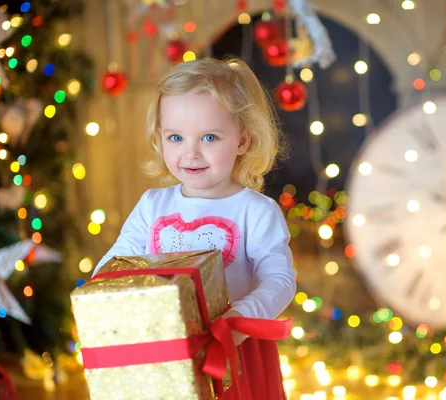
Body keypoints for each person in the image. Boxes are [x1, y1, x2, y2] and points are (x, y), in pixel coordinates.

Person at [92, 58, 296, 400]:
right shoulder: (152, 205)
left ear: (242, 140)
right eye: (176, 137)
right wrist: (103, 299)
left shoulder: (255, 211)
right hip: (162, 349)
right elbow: (116, 264)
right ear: (160, 137)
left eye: (210, 137)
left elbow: (279, 280)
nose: (191, 153)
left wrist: (236, 320)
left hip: (231, 353)